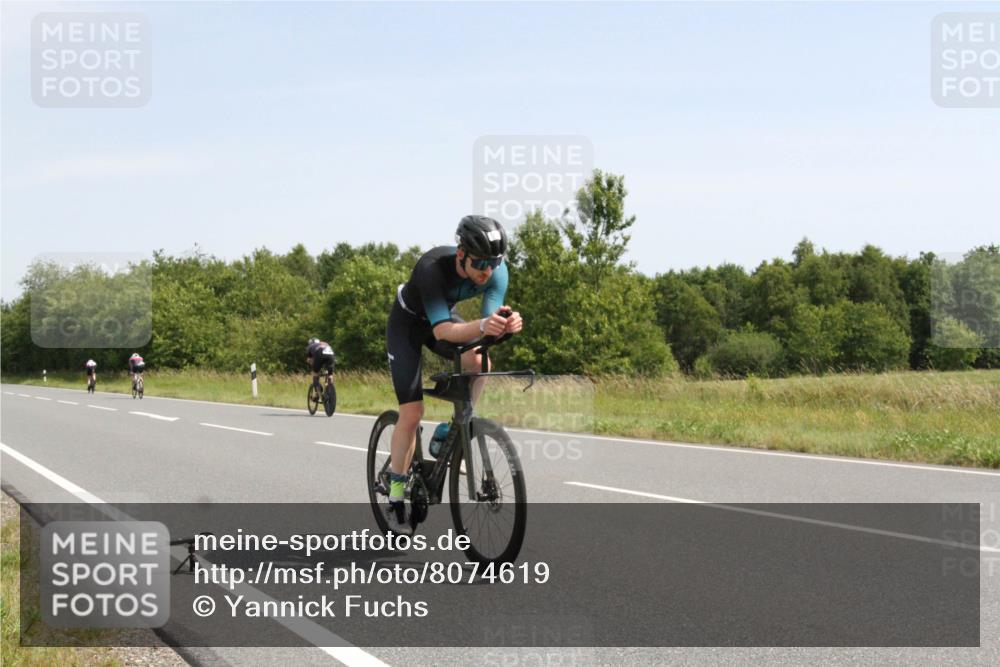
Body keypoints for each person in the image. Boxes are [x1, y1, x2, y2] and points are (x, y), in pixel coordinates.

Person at [385, 215, 523, 526]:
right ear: (461, 254)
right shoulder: (431, 267)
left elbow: (487, 327)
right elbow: (443, 332)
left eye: (494, 263)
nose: (487, 271)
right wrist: (486, 325)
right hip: (408, 327)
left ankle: (452, 429)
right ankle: (395, 492)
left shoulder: (496, 272)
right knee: (412, 413)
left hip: (443, 320)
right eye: (480, 264)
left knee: (480, 361)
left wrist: (505, 325)